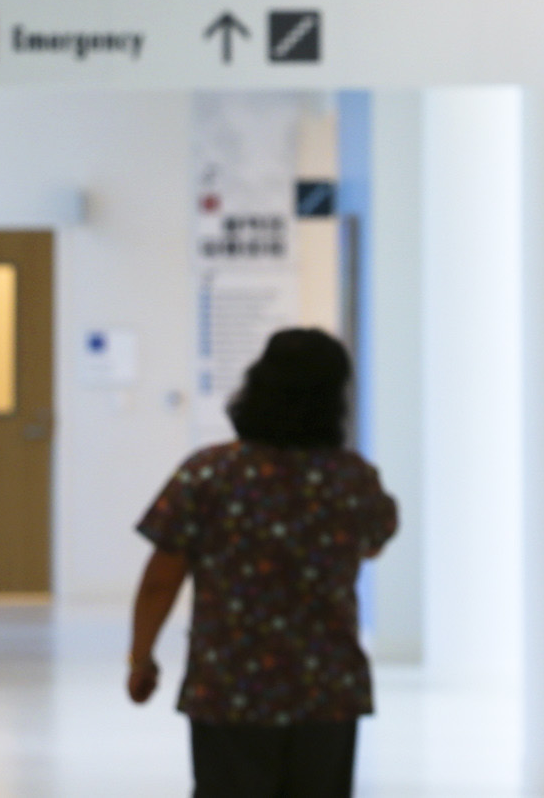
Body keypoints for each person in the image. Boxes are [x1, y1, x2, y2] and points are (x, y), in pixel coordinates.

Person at [127, 327, 399, 798]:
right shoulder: (352, 479)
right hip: (326, 690)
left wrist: (141, 658)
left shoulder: (208, 473)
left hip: (228, 686)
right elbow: (373, 544)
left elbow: (161, 580)